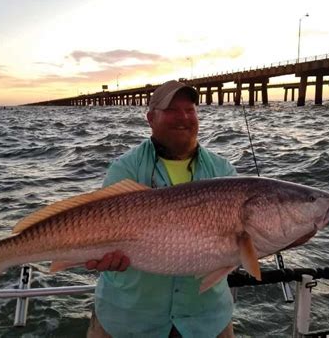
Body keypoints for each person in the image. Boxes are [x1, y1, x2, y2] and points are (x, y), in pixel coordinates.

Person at [86, 80, 238, 338]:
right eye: (171, 110)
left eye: (190, 110)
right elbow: (97, 228)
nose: (183, 117)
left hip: (205, 318)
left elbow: (249, 242)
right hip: (128, 317)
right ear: (150, 118)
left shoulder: (223, 172)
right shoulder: (125, 168)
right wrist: (106, 259)